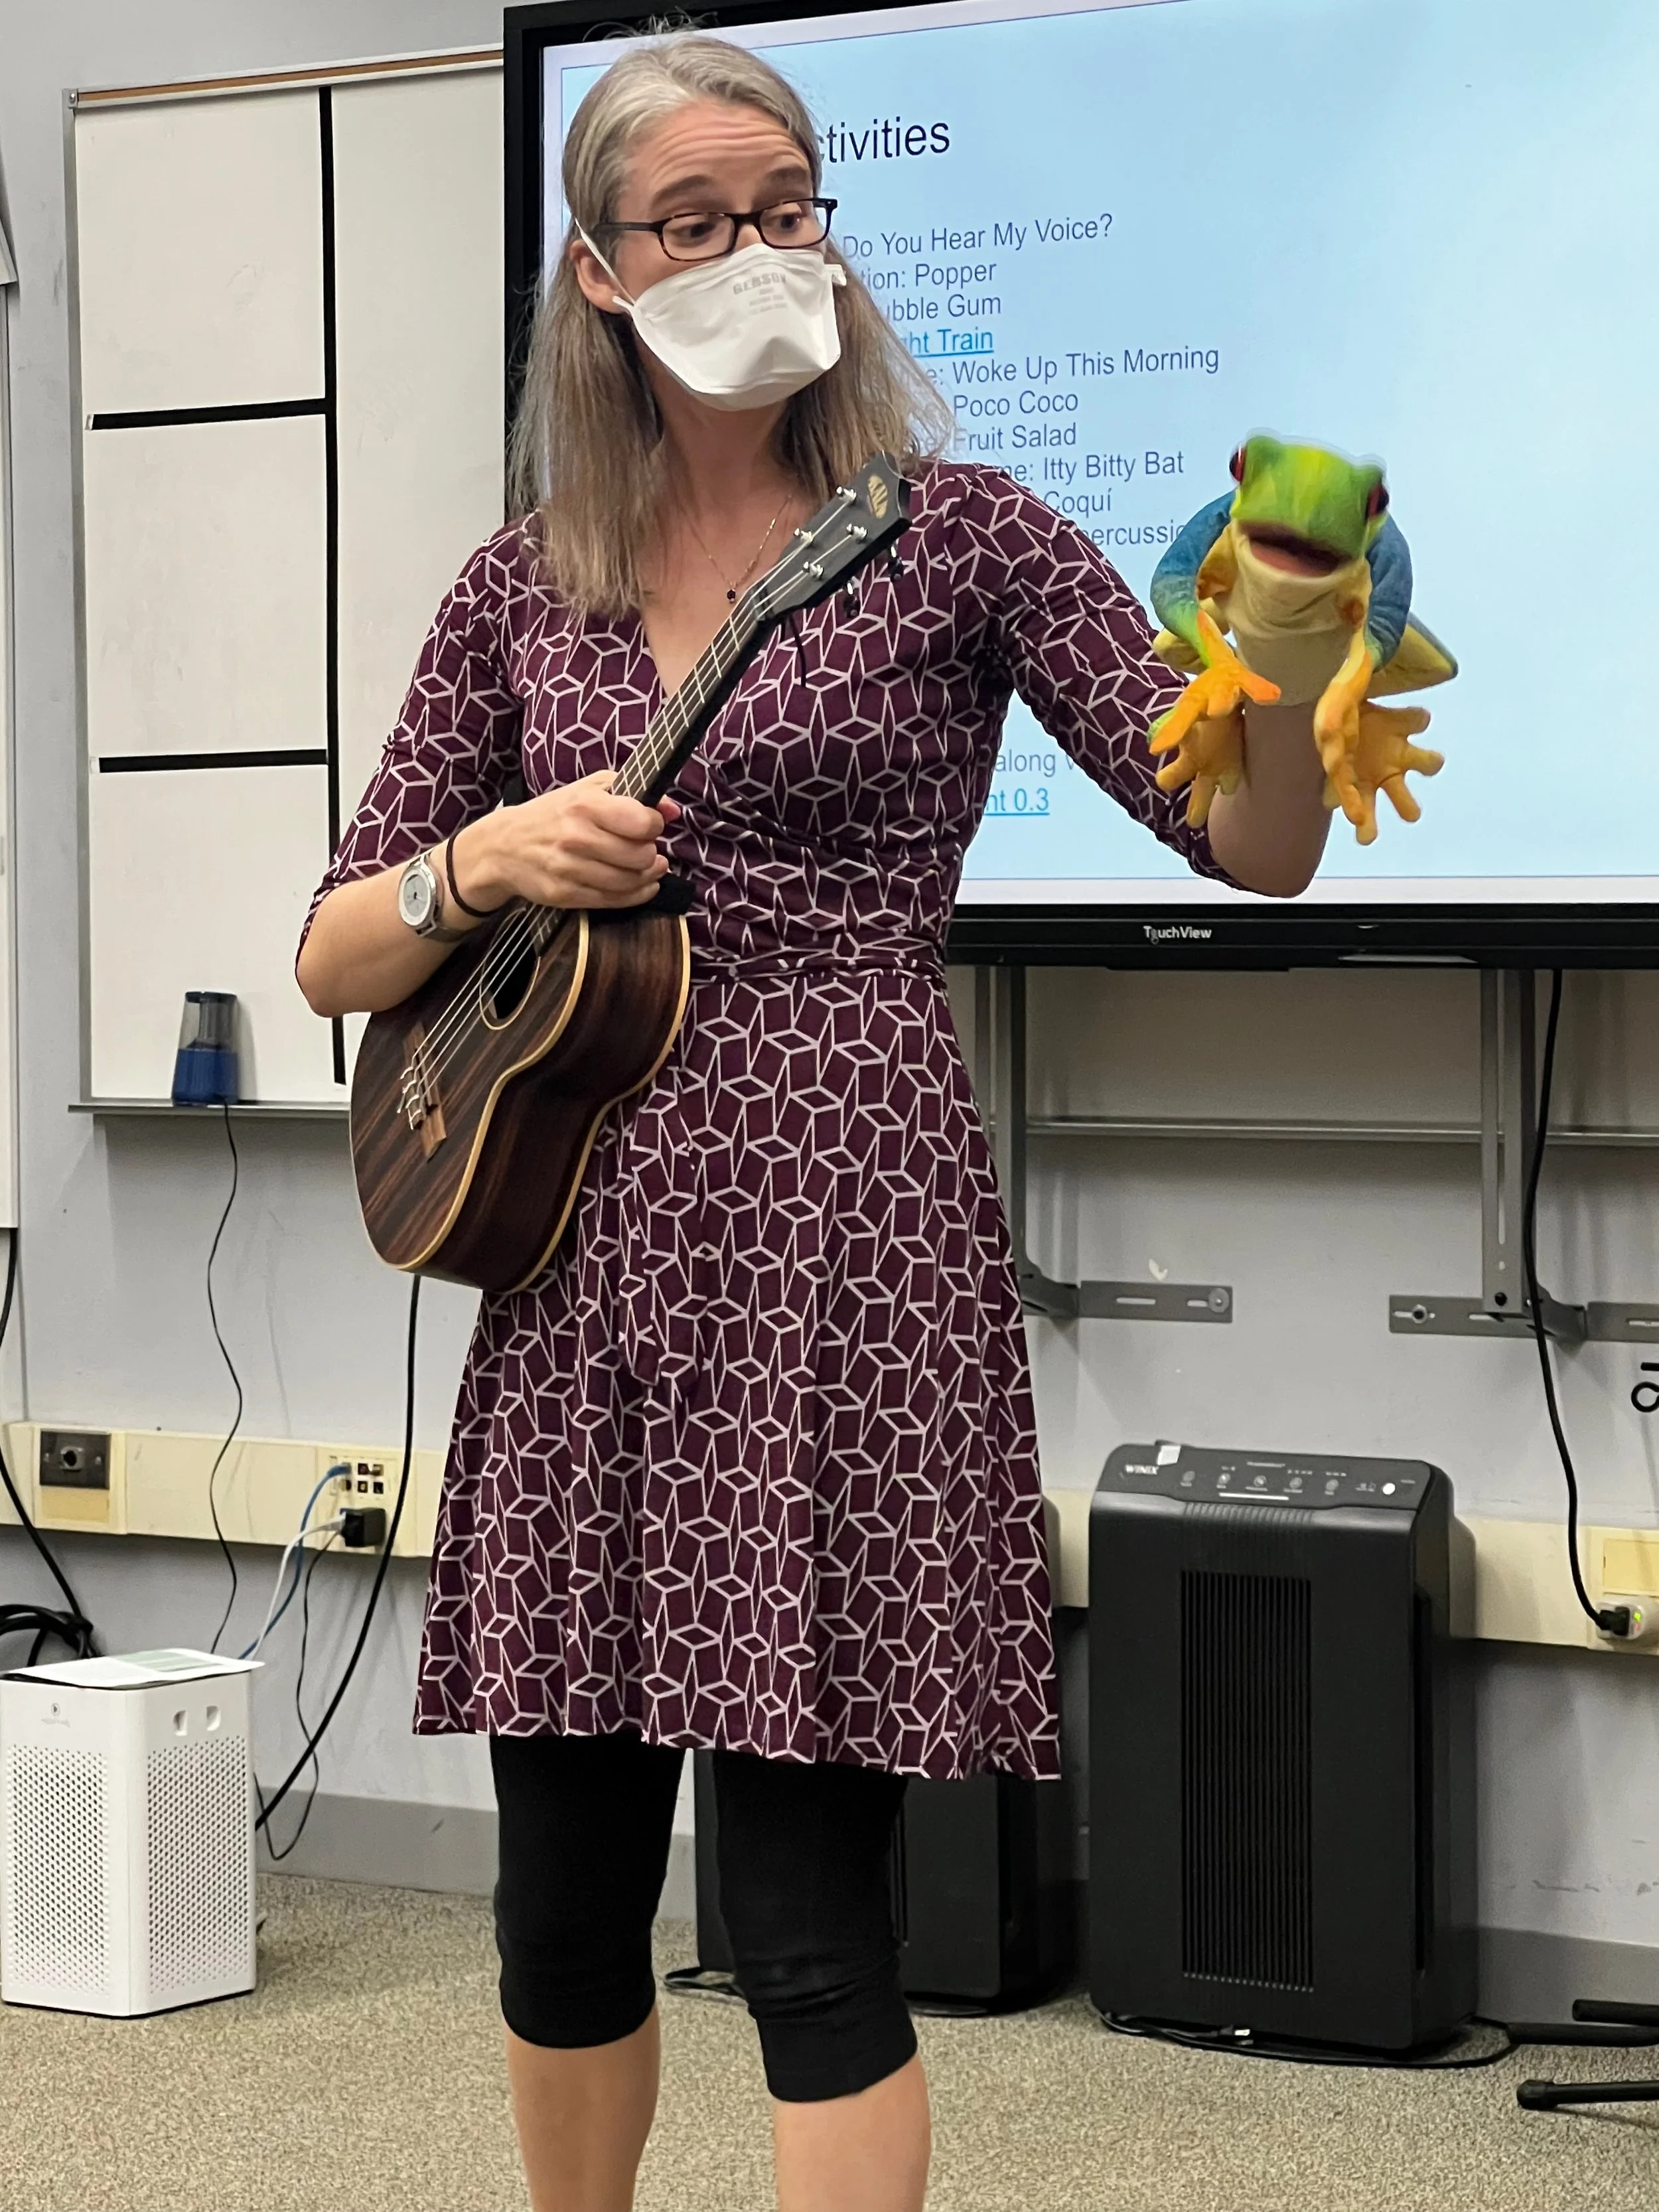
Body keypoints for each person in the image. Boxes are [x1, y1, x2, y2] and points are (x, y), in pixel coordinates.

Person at [296, 35, 1331, 2212]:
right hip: (578, 1259)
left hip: (841, 1247)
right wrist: (477, 864)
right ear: (598, 273)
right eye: (698, 219)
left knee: (811, 1933)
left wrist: (1292, 647)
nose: (760, 251)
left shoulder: (957, 534)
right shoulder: (521, 584)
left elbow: (1247, 839)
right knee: (561, 1903)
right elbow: (333, 949)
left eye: (789, 207)